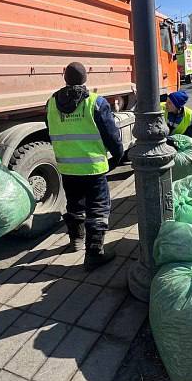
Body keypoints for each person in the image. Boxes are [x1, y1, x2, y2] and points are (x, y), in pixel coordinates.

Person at [47, 62, 124, 270]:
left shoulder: (51, 102)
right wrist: (117, 156)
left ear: (65, 77)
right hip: (92, 168)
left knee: (74, 205)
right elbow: (111, 135)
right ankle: (94, 254)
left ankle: (76, 241)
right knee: (98, 209)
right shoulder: (95, 102)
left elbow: (51, 129)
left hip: (67, 167)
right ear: (85, 78)